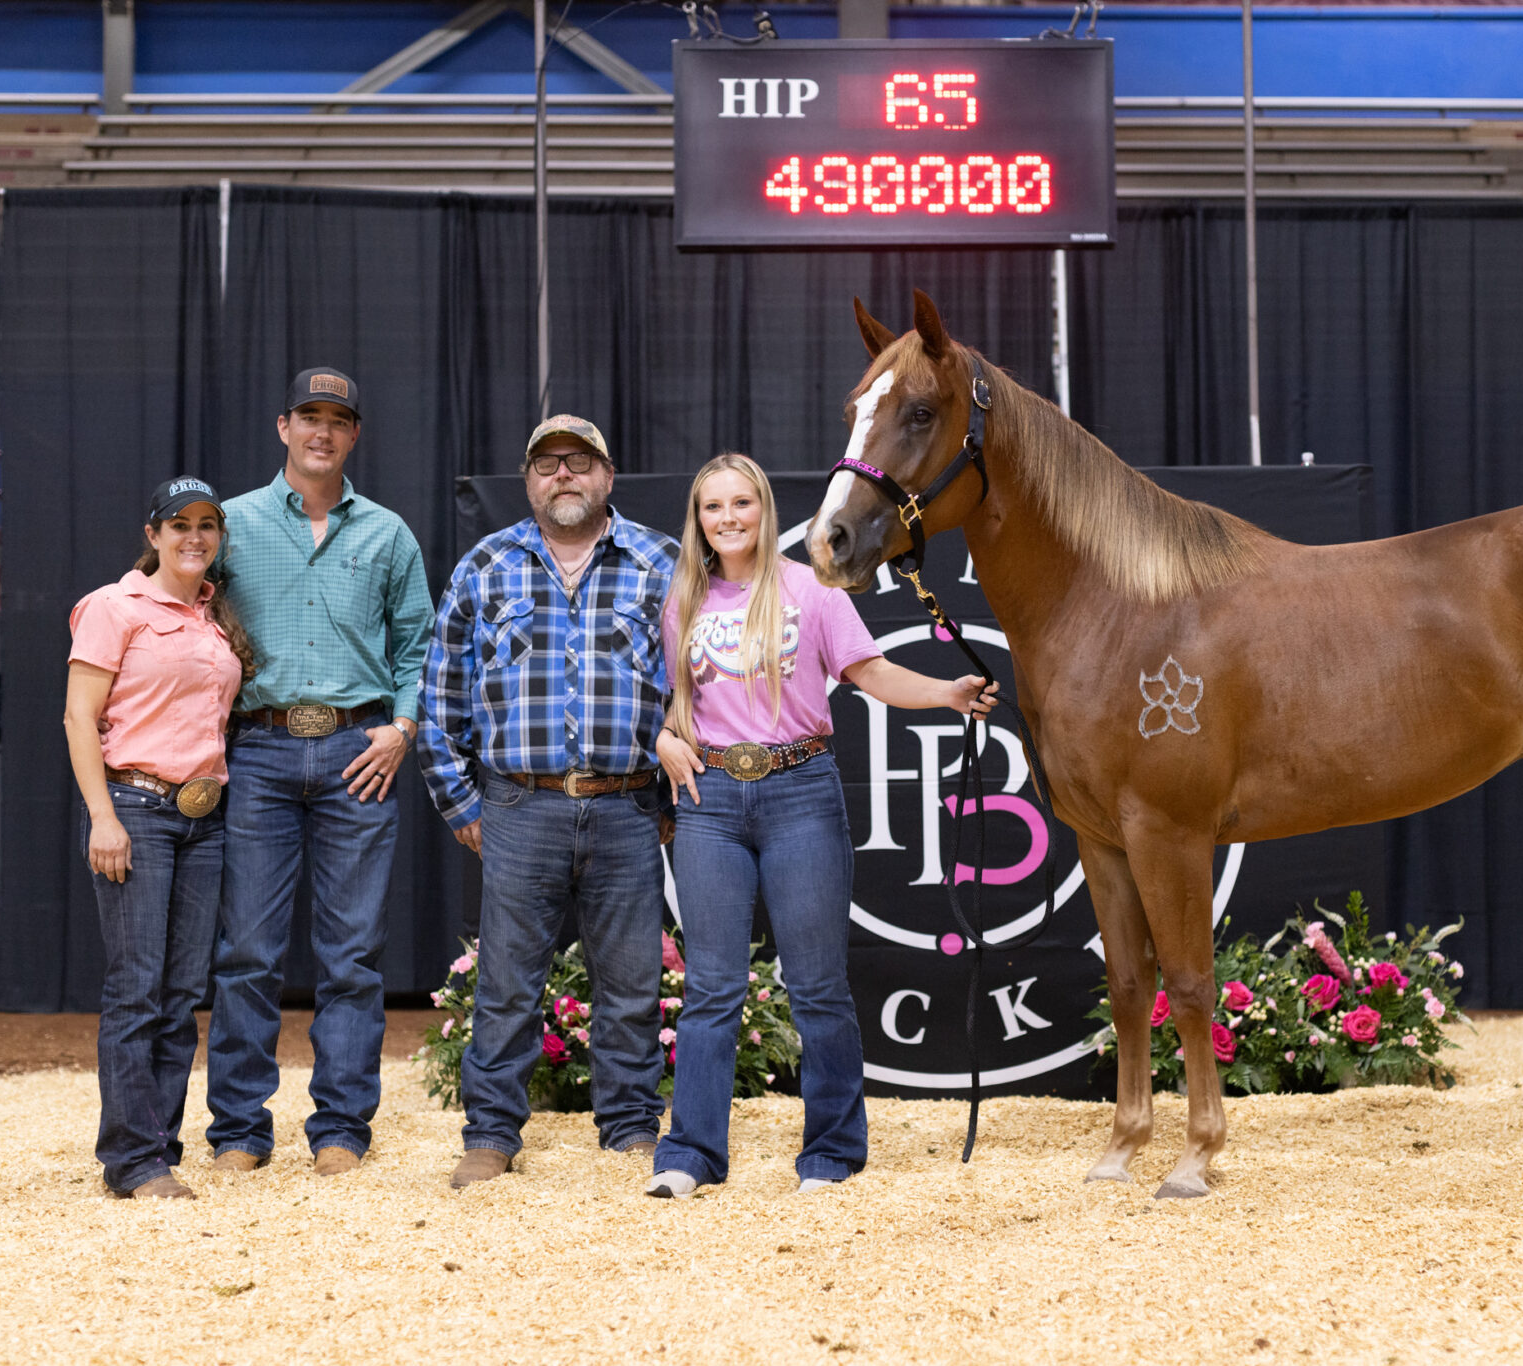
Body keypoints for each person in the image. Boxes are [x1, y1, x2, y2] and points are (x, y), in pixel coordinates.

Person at [647, 453, 995, 1198]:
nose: (728, 518)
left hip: (799, 790)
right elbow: (659, 703)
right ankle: (690, 1155)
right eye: (713, 507)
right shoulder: (683, 597)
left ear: (764, 510)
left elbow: (870, 673)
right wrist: (658, 738)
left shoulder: (810, 587)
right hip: (709, 802)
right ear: (698, 519)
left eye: (742, 503)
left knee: (817, 985)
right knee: (711, 987)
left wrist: (948, 693)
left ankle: (831, 1153)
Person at [420, 414, 679, 1190]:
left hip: (630, 807)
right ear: (529, 480)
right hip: (518, 807)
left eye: (579, 462)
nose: (562, 475)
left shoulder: (662, 564)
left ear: (607, 475)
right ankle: (491, 1135)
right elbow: (441, 698)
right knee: (504, 982)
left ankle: (630, 1127)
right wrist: (462, 805)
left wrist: (672, 800)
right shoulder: (485, 565)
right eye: (546, 464)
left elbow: (699, 690)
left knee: (632, 982)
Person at [206, 368, 434, 1177]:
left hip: (356, 754)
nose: (322, 432)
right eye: (309, 416)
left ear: (354, 435)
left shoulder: (388, 534)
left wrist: (401, 730)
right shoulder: (226, 525)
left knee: (352, 955)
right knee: (248, 952)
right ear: (283, 427)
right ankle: (238, 1129)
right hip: (258, 751)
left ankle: (340, 1126)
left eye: (338, 420)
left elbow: (418, 648)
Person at [64, 477, 254, 1199]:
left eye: (208, 525)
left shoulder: (212, 617)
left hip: (203, 818)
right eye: (180, 525)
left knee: (180, 992)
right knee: (137, 988)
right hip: (135, 807)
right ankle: (131, 1160)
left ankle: (158, 1144)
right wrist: (102, 817)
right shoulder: (115, 608)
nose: (195, 537)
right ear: (153, 535)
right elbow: (81, 718)